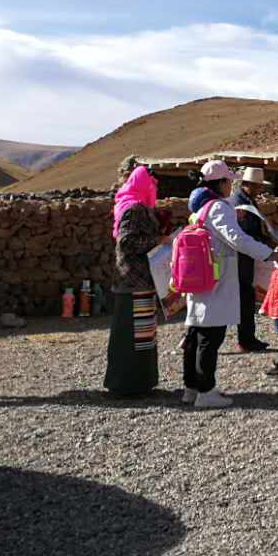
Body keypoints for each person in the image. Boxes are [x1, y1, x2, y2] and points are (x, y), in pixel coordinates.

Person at [182, 160, 278, 408]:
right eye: (229, 181)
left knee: (196, 333)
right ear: (220, 183)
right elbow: (237, 238)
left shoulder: (200, 208)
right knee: (210, 336)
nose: (231, 185)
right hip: (215, 279)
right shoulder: (218, 207)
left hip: (200, 277)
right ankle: (206, 391)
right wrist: (270, 254)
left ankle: (191, 387)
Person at [104, 161, 165, 397]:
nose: (154, 187)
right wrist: (158, 241)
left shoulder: (133, 206)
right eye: (151, 183)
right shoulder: (135, 208)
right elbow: (127, 242)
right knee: (132, 335)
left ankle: (138, 383)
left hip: (136, 281)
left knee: (140, 334)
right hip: (134, 280)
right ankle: (128, 384)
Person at [232, 167, 277, 353]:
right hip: (239, 260)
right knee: (244, 299)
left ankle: (248, 338)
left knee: (246, 298)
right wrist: (266, 244)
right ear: (247, 185)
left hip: (245, 259)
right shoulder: (240, 204)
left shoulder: (247, 200)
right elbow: (246, 233)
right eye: (257, 186)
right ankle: (246, 340)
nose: (260, 190)